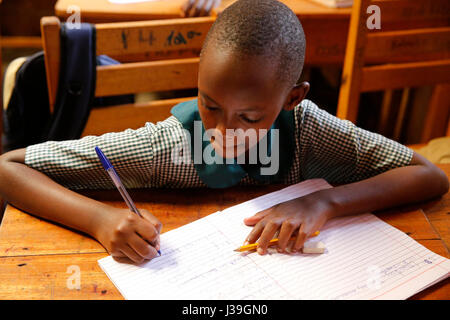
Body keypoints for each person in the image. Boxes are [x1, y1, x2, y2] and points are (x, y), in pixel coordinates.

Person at [0, 0, 448, 264]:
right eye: (209, 105)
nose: (222, 130)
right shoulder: (168, 146)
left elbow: (430, 175)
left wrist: (322, 201)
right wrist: (99, 219)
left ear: (293, 98)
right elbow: (8, 167)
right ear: (197, 78)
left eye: (250, 118)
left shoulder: (312, 130)